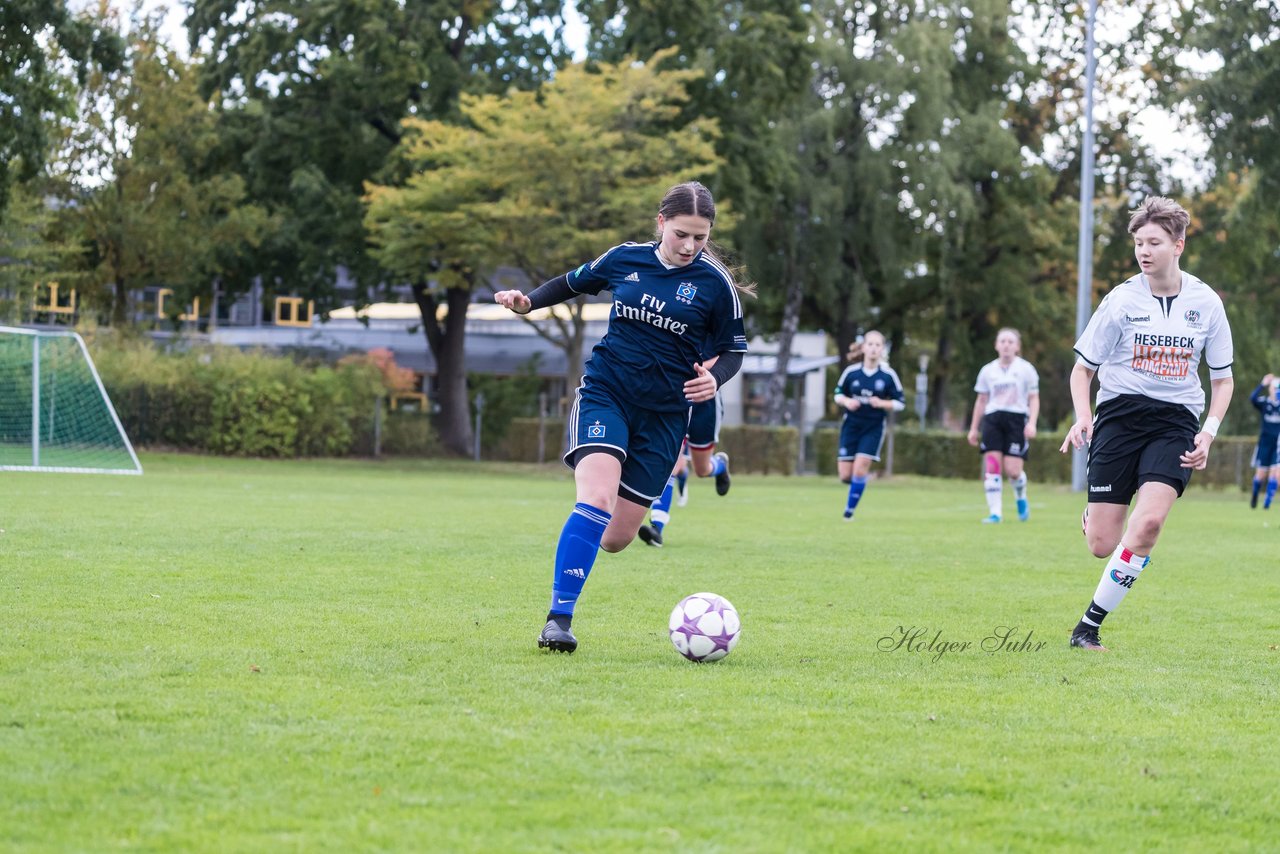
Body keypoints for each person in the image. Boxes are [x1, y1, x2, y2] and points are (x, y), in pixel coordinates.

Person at [494, 181, 751, 653]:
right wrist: (528, 301)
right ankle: (558, 620)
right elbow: (572, 283)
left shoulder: (715, 286)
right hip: (607, 394)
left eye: (700, 237)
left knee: (615, 538)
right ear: (660, 223)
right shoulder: (625, 259)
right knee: (595, 497)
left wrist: (716, 380)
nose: (690, 246)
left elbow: (734, 351)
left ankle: (596, 543)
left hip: (666, 417)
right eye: (681, 234)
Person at [1060, 196, 1233, 652]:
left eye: (1154, 242)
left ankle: (1088, 627)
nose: (1144, 250)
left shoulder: (1206, 303)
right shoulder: (1120, 300)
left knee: (1150, 523)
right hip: (1119, 416)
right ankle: (1097, 515)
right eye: (1139, 242)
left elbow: (1223, 379)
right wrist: (1083, 417)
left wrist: (1208, 432)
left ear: (1178, 245)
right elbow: (1083, 370)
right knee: (1103, 543)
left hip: (1175, 421)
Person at [966, 328, 1040, 523]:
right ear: (996, 345)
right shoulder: (987, 371)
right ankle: (995, 513)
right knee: (992, 466)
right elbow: (981, 400)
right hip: (992, 419)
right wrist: (974, 428)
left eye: (1010, 341)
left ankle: (1021, 497)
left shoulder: (1026, 369)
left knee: (1013, 471)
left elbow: (1033, 398)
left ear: (1017, 346)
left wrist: (1032, 423)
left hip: (1016, 420)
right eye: (1002, 341)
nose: (1006, 345)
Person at [833, 331, 905, 520]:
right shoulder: (851, 373)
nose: (873, 348)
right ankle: (861, 481)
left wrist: (882, 403)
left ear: (882, 350)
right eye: (870, 344)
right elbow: (838, 394)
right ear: (863, 347)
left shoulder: (888, 375)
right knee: (845, 475)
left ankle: (849, 512)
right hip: (851, 426)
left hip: (873, 427)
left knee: (860, 468)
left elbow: (900, 403)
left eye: (878, 345)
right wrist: (847, 402)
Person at [1248, 374, 1280, 509]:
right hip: (1264, 444)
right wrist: (1263, 383)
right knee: (1260, 475)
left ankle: (1267, 502)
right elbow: (1252, 398)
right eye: (1275, 387)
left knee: (1276, 473)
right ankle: (1255, 495)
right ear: (1270, 389)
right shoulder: (1265, 402)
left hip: (1277, 445)